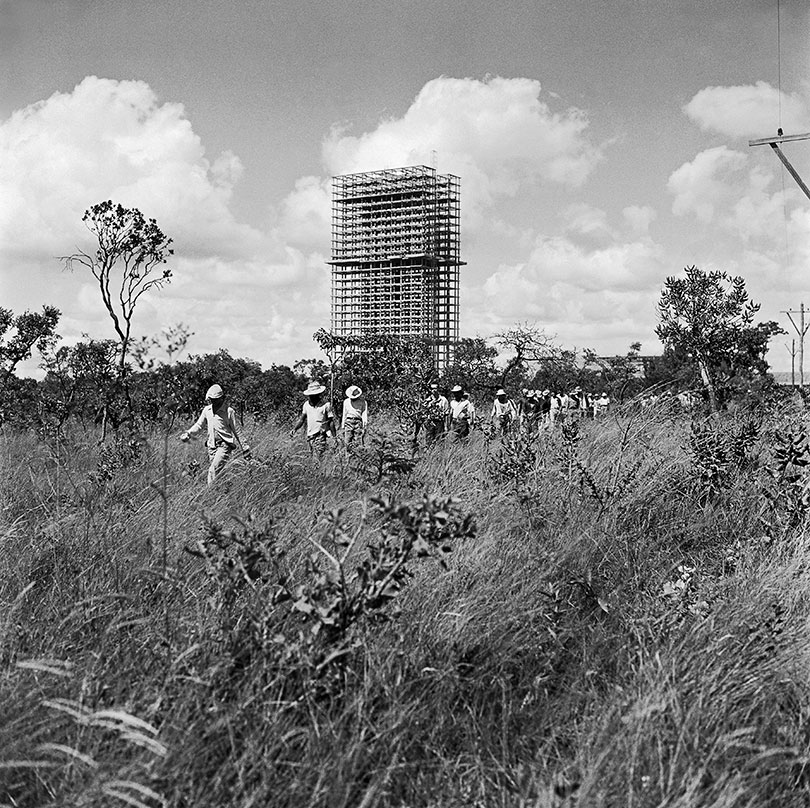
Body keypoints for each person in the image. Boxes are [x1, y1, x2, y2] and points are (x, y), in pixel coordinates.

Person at [179, 384, 250, 485]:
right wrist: (188, 433)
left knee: (212, 470)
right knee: (219, 474)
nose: (213, 401)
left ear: (222, 398)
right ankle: (223, 493)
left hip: (224, 446)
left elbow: (237, 431)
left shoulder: (229, 411)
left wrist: (245, 448)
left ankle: (208, 494)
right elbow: (199, 425)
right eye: (211, 399)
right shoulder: (207, 410)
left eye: (216, 399)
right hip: (211, 446)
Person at [291, 381, 335, 457]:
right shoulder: (306, 405)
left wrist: (334, 436)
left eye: (314, 395)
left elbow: (331, 421)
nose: (312, 397)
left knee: (317, 457)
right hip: (310, 435)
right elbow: (302, 419)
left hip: (320, 434)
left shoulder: (326, 405)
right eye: (311, 395)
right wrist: (295, 429)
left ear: (318, 394)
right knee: (312, 456)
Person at [341, 385, 368, 449]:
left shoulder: (363, 402)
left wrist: (365, 424)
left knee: (358, 440)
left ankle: (358, 456)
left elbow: (364, 413)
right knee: (347, 441)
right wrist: (343, 425)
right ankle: (348, 457)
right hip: (348, 422)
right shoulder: (346, 401)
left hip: (358, 422)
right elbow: (344, 413)